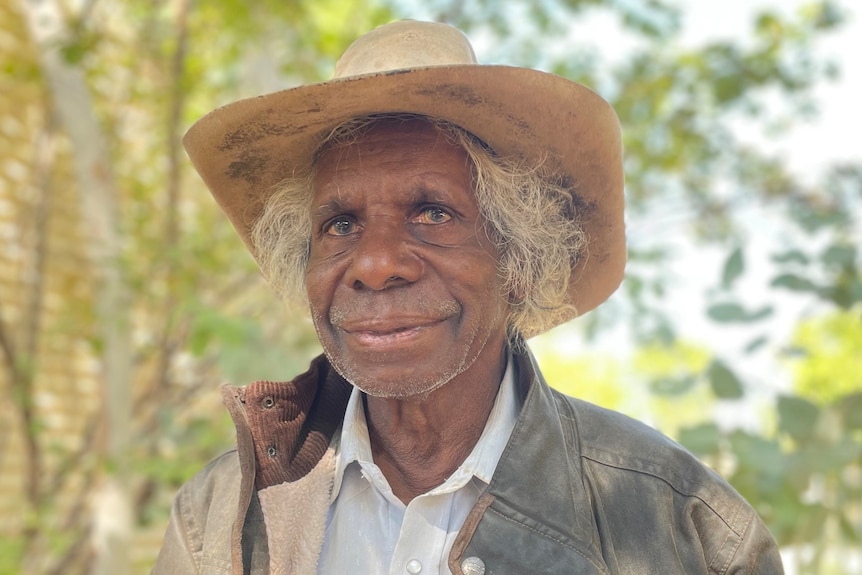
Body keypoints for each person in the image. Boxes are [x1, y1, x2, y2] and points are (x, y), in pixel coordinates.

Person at [154, 20, 783, 575]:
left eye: (432, 212)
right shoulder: (218, 521)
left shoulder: (680, 528)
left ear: (518, 260)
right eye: (340, 225)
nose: (374, 264)